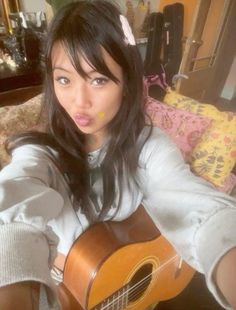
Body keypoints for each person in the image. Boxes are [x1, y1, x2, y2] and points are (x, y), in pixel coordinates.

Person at [0, 1, 236, 309]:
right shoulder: (41, 153)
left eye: (98, 79)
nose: (78, 101)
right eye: (64, 79)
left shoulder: (147, 144)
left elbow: (195, 204)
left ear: (126, 83)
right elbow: (17, 209)